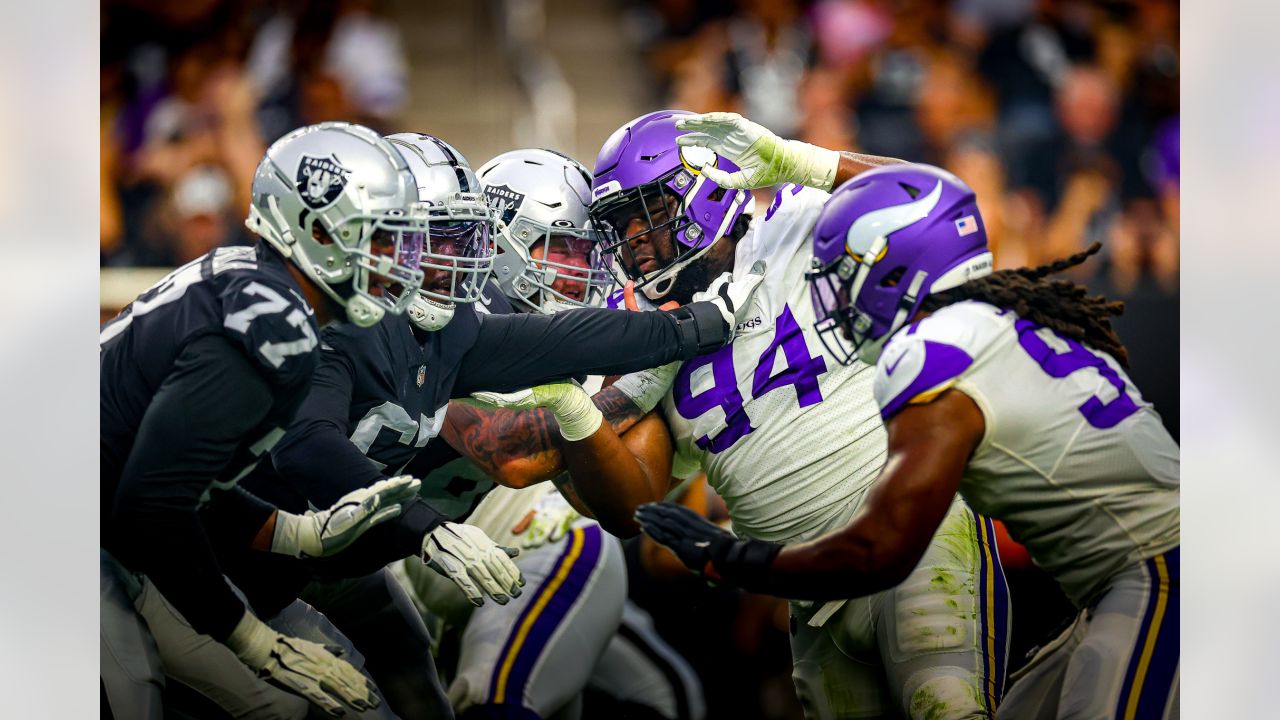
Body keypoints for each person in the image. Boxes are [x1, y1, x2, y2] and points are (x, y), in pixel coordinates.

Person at [213, 134, 768, 719]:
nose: (586, 273)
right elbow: (514, 454)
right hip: (284, 536)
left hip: (382, 548)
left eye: (592, 255)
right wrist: (634, 383)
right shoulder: (438, 314)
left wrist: (657, 358)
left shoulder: (514, 327)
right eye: (566, 251)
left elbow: (613, 505)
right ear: (507, 244)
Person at [489, 111, 1012, 719]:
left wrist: (803, 162)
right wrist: (576, 401)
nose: (632, 238)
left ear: (702, 187)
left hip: (918, 536)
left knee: (949, 707)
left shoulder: (795, 225)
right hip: (806, 591)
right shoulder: (650, 338)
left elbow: (938, 209)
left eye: (645, 211)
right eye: (618, 225)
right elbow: (629, 506)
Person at [636, 162, 1180, 720]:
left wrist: (733, 558)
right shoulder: (991, 324)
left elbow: (879, 550)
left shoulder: (928, 352)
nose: (834, 298)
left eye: (844, 275)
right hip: (1125, 580)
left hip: (1160, 572)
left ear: (899, 271)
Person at [100, 121, 431, 718]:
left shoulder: (258, 287)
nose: (396, 260)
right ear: (317, 232)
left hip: (102, 520)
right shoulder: (275, 327)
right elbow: (150, 504)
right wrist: (250, 640)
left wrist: (292, 532)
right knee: (130, 694)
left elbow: (178, 476)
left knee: (315, 700)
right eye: (379, 238)